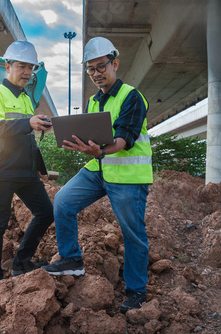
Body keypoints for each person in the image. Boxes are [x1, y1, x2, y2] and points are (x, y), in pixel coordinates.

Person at [42, 37, 153, 313]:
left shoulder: (132, 97)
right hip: (98, 170)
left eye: (100, 66)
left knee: (133, 234)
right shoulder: (93, 100)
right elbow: (96, 138)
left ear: (114, 63)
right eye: (90, 69)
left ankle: (136, 290)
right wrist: (81, 144)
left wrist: (99, 152)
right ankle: (71, 260)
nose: (96, 73)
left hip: (127, 177)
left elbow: (123, 140)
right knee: (63, 202)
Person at [0, 40, 54, 285]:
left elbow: (27, 132)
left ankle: (21, 262)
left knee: (46, 213)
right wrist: (29, 123)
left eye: (31, 68)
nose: (27, 72)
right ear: (8, 67)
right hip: (3, 170)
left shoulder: (26, 98)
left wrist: (39, 123)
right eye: (22, 66)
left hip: (25, 171)